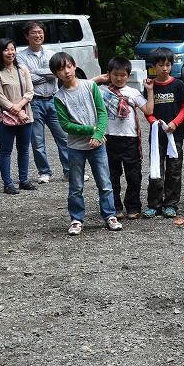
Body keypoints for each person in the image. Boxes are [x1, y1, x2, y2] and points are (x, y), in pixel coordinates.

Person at [49, 52, 122, 235]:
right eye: (60, 69)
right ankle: (76, 219)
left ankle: (109, 215)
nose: (66, 72)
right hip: (75, 148)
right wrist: (92, 130)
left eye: (68, 66)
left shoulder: (90, 86)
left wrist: (98, 135)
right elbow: (66, 125)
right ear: (55, 74)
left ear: (74, 66)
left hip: (98, 145)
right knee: (75, 186)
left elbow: (102, 112)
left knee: (105, 183)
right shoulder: (59, 97)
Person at [93, 57, 154, 220]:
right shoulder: (101, 91)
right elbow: (82, 87)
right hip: (109, 139)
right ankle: (115, 207)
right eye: (115, 75)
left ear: (128, 75)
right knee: (112, 176)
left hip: (130, 139)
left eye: (122, 75)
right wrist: (99, 79)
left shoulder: (133, 93)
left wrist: (149, 90)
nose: (119, 78)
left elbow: (148, 110)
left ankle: (133, 206)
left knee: (134, 176)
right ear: (109, 74)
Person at [17, 20, 72, 183]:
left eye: (40, 32)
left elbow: (57, 73)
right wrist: (48, 73)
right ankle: (44, 172)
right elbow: (26, 80)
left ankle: (69, 170)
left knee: (63, 137)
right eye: (33, 32)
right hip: (34, 102)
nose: (37, 35)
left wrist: (35, 72)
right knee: (37, 140)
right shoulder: (20, 57)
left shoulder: (51, 54)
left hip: (54, 100)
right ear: (27, 36)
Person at [144, 47, 184, 224]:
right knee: (156, 171)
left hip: (175, 136)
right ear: (154, 66)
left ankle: (171, 204)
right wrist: (155, 122)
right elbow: (147, 110)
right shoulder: (150, 86)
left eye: (168, 65)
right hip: (157, 138)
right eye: (161, 65)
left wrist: (174, 123)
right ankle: (154, 204)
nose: (165, 68)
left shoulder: (178, 85)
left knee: (174, 171)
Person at [0, 38, 36, 194]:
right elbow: (1, 98)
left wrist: (21, 108)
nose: (11, 53)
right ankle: (8, 183)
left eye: (13, 49)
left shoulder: (22, 69)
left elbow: (30, 92)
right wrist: (17, 111)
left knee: (24, 150)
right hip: (5, 118)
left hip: (26, 116)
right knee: (6, 151)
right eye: (6, 50)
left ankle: (24, 180)